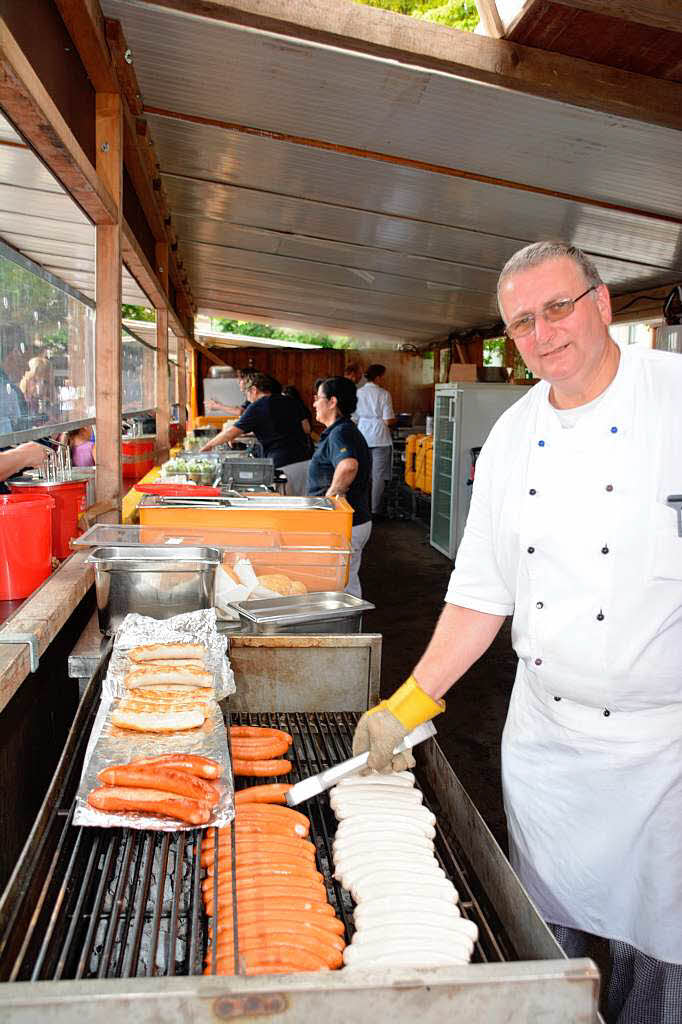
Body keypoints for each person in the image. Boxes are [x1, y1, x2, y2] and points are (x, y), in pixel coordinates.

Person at [352, 240, 682, 1024]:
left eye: (558, 307)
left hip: (666, 750)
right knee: (544, 955)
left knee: (664, 960)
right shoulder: (511, 440)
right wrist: (407, 704)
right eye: (522, 322)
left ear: (602, 304)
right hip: (549, 746)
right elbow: (477, 597)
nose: (543, 333)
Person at [307, 377, 371, 598]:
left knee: (342, 584)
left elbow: (348, 466)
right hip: (351, 521)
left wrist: (329, 500)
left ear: (332, 401)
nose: (314, 404)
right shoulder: (340, 430)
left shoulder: (340, 433)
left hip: (344, 522)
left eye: (318, 398)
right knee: (346, 580)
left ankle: (348, 628)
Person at [200, 372, 310, 476]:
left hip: (283, 464)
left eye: (245, 393)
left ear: (253, 390)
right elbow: (305, 428)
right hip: (305, 460)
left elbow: (230, 433)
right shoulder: (290, 400)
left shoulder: (258, 405)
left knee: (283, 495)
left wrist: (208, 446)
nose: (246, 398)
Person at [354, 363, 396, 517]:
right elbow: (388, 420)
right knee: (378, 476)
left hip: (363, 436)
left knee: (364, 474)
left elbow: (354, 418)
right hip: (380, 438)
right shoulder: (384, 394)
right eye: (383, 376)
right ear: (378, 377)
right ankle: (375, 510)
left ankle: (362, 506)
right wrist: (394, 421)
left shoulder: (358, 393)